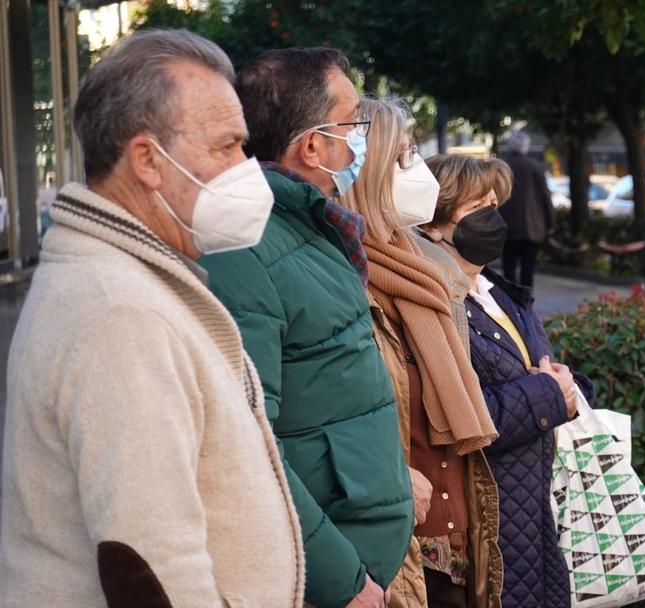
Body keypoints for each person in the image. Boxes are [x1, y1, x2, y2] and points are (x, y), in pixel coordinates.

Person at [0, 30, 305, 607]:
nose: (247, 169)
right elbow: (154, 566)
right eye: (227, 146)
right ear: (146, 160)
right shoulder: (121, 315)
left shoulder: (125, 283)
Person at [199, 49, 413, 608]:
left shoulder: (307, 227)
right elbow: (248, 444)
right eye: (352, 123)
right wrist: (342, 583)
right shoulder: (246, 248)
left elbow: (331, 390)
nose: (360, 138)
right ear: (313, 144)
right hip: (323, 583)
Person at [339, 99, 504, 608]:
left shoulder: (430, 270)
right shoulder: (346, 277)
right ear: (364, 173)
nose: (419, 175)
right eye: (402, 159)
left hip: (456, 540)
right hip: (394, 546)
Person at [423, 154, 594, 608]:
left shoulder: (500, 293)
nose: (492, 217)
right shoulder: (438, 301)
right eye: (476, 206)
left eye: (495, 203)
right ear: (434, 223)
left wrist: (571, 389)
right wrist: (550, 394)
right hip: (491, 515)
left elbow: (549, 374)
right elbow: (463, 414)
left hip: (534, 507)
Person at [498, 131, 553, 288]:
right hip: (532, 227)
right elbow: (545, 198)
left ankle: (509, 301)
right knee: (528, 268)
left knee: (508, 268)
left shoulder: (502, 166)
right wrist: (550, 225)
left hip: (506, 225)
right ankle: (525, 301)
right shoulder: (535, 166)